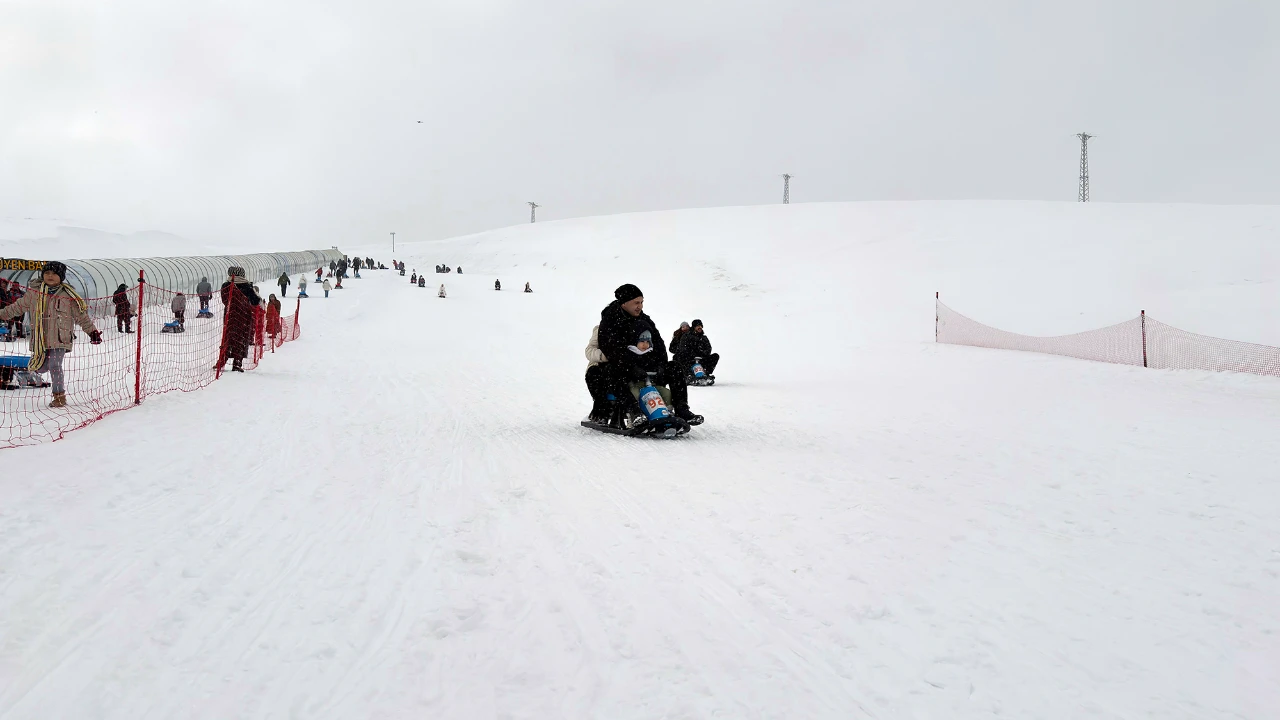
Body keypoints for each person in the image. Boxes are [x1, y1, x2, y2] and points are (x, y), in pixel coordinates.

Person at [0, 261, 102, 407]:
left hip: (60, 338)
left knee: (55, 365)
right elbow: (17, 307)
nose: (50, 276)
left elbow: (81, 316)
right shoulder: (34, 293)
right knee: (40, 367)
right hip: (40, 339)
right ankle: (37, 370)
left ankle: (59, 397)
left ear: (61, 276)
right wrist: (2, 314)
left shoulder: (68, 295)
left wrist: (92, 332)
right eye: (47, 273)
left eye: (54, 273)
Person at [597, 284, 701, 425]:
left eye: (641, 302)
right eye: (636, 303)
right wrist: (631, 367)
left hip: (647, 364)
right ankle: (634, 411)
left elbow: (658, 344)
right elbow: (611, 349)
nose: (640, 306)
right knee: (611, 371)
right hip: (625, 366)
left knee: (674, 367)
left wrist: (661, 365)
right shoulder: (610, 320)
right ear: (624, 303)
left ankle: (682, 409)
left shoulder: (645, 319)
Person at [217, 266, 261, 373]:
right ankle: (237, 363)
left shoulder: (226, 285)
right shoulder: (246, 286)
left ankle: (221, 361)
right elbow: (255, 301)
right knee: (241, 339)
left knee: (228, 338)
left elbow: (225, 300)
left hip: (229, 315)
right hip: (244, 316)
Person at [584, 324, 614, 423]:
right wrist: (604, 356)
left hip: (622, 365)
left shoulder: (633, 327)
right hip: (599, 365)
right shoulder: (600, 330)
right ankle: (602, 409)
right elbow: (589, 350)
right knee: (594, 375)